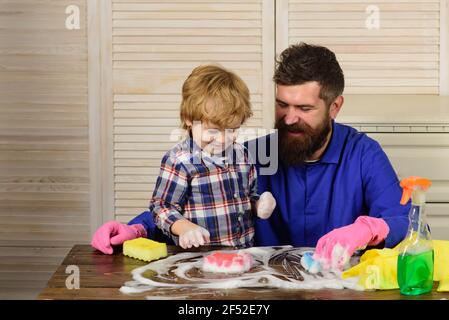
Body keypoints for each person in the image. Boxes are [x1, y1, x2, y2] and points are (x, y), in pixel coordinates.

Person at [97, 43, 410, 272]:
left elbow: (403, 221)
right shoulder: (248, 153)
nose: (288, 119)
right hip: (255, 291)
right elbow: (190, 204)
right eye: (281, 105)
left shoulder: (364, 154)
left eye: (304, 109)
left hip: (335, 289)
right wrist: (135, 230)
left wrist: (368, 229)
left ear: (335, 106)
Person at [91, 65, 276, 253]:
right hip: (198, 259)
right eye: (213, 130)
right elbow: (161, 207)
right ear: (189, 119)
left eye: (233, 129)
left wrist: (258, 204)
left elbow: (247, 197)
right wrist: (184, 227)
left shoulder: (242, 154)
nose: (223, 139)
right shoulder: (180, 160)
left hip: (242, 256)